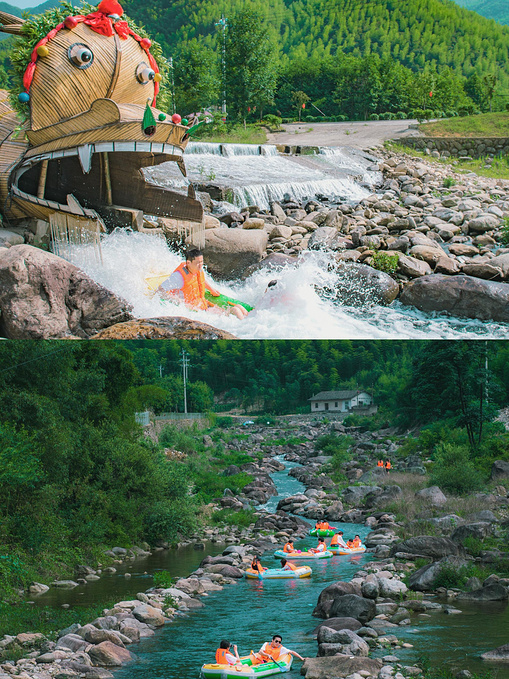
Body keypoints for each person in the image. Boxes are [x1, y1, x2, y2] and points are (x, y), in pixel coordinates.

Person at [157, 248, 248, 320]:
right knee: (235, 310)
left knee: (239, 307)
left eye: (202, 262)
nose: (201, 265)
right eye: (198, 263)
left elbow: (200, 281)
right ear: (189, 263)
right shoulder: (178, 277)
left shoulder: (196, 269)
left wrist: (211, 289)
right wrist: (178, 302)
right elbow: (159, 290)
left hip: (203, 306)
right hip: (193, 311)